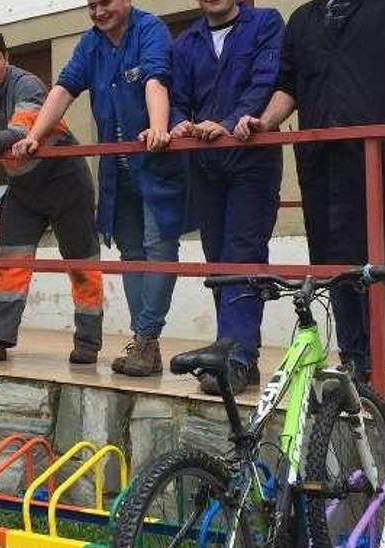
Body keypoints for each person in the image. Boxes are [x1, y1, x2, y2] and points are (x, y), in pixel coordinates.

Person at [235, 0, 385, 405]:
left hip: (373, 161)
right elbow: (288, 84)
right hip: (321, 164)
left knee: (380, 268)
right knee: (336, 269)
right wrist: (266, 122)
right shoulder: (304, 20)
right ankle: (352, 364)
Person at [12, 0, 191, 377]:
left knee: (160, 247)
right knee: (131, 252)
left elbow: (155, 79)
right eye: (91, 5)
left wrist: (158, 126)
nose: (98, 12)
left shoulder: (150, 29)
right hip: (117, 166)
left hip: (156, 161)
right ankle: (147, 344)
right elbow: (63, 89)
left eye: (105, 3)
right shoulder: (89, 44)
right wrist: (33, 136)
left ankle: (145, 337)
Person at [0, 26, 104, 365]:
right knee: (9, 264)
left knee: (81, 264)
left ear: (6, 58)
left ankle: (88, 342)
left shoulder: (28, 84)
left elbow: (18, 135)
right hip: (22, 188)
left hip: (65, 182)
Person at [168, 0, 284, 395]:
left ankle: (235, 358)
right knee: (218, 257)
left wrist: (230, 122)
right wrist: (178, 121)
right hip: (204, 160)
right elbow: (178, 96)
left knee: (242, 252)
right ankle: (239, 354)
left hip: (251, 154)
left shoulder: (265, 22)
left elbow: (266, 81)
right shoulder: (186, 42)